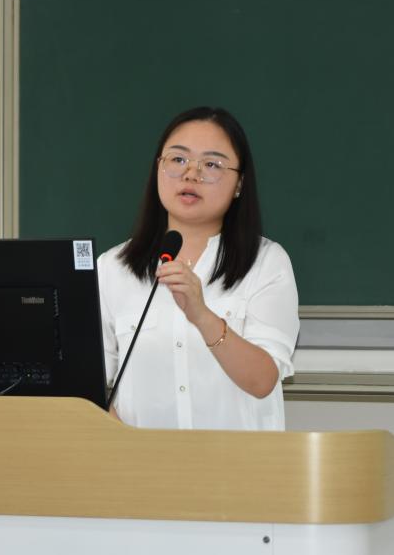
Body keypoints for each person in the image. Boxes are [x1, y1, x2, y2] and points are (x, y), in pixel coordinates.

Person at [98, 107, 300, 431]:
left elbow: (263, 381)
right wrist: (120, 438)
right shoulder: (113, 268)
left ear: (239, 184)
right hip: (141, 460)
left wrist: (202, 316)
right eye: (178, 159)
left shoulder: (265, 263)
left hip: (238, 461)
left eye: (212, 164)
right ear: (158, 169)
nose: (191, 174)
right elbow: (85, 385)